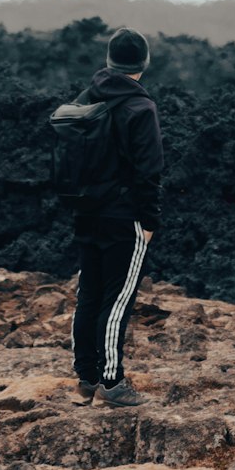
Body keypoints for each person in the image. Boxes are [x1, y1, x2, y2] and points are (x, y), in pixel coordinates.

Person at [70, 27, 163, 406]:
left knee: (89, 294)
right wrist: (150, 222)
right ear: (143, 65)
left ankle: (86, 378)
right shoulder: (141, 108)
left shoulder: (84, 99)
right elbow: (149, 172)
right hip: (124, 217)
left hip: (84, 212)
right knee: (118, 298)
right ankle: (112, 382)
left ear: (109, 61)